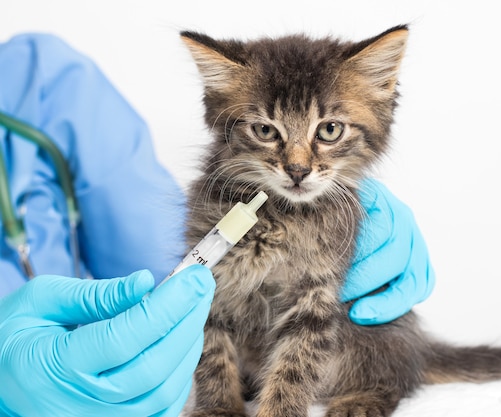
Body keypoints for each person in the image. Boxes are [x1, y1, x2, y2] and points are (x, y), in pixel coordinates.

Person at [0, 33, 434, 416]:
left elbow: (157, 267)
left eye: (330, 130)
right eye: (266, 131)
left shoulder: (44, 78)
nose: (298, 164)